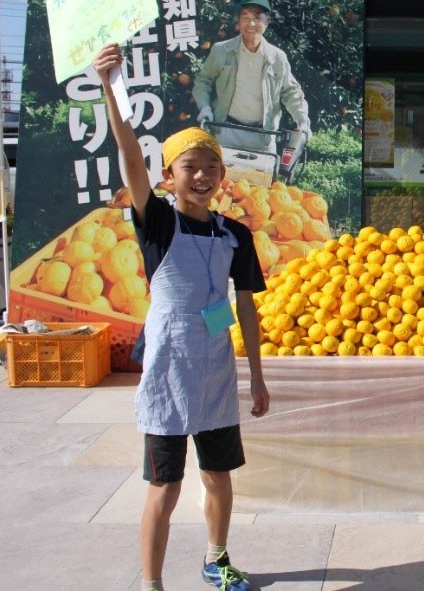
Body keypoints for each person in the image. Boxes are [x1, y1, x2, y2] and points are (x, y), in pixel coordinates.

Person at [95, 43, 270, 591]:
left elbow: (243, 305)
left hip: (215, 370)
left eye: (209, 167)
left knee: (218, 477)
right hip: (167, 374)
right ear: (168, 177)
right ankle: (152, 584)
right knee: (165, 489)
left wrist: (257, 376)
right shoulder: (159, 225)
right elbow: (128, 155)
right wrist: (110, 87)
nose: (200, 176)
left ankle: (216, 558)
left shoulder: (234, 234)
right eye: (188, 168)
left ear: (221, 174)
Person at [193, 0, 311, 154]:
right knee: (223, 178)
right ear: (238, 22)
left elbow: (291, 92)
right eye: (245, 17)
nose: (251, 24)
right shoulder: (221, 50)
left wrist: (302, 120)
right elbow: (203, 81)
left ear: (268, 21)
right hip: (225, 130)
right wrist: (205, 107)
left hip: (263, 135)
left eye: (257, 18)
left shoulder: (277, 57)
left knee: (264, 178)